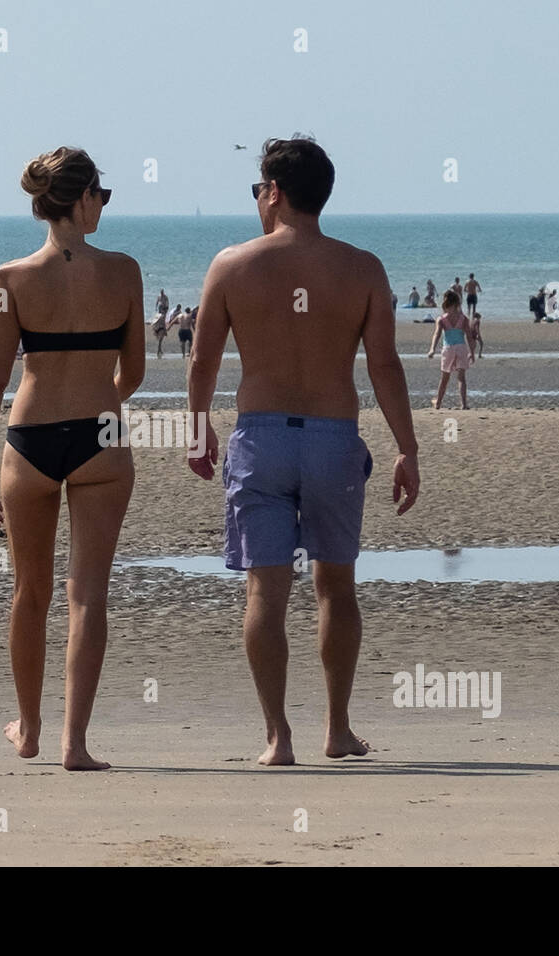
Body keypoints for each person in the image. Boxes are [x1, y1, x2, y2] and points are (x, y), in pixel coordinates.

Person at [187, 136, 419, 765]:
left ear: (275, 192)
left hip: (262, 437)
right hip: (333, 438)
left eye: (260, 188)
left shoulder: (231, 264)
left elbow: (203, 357)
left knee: (265, 590)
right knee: (336, 588)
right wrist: (407, 446)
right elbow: (385, 366)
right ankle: (337, 729)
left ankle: (276, 736)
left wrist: (198, 424)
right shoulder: (362, 268)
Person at [0, 146, 145, 771]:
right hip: (101, 438)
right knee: (88, 594)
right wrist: (98, 406)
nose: (104, 204)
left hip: (30, 438)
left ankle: (31, 729)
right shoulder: (125, 272)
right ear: (81, 197)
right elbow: (136, 372)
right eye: (102, 193)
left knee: (29, 591)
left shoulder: (9, 280)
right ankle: (76, 743)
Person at [426, 290, 474, 409]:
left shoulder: (442, 319)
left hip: (448, 349)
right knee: (461, 378)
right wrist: (472, 353)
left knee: (444, 378)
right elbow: (469, 337)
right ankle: (463, 404)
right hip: (461, 348)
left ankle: (438, 403)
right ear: (458, 303)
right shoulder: (463, 319)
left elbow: (436, 335)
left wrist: (432, 349)